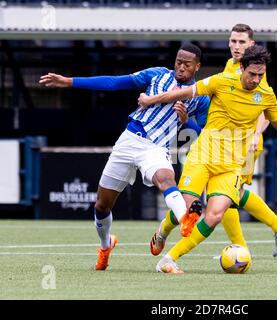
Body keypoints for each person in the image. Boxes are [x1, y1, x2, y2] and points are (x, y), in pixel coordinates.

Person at [138, 45, 277, 273]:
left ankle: (169, 259)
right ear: (242, 68)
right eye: (252, 74)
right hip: (202, 157)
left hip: (230, 167)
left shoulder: (266, 95)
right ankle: (164, 229)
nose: (256, 79)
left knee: (214, 215)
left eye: (261, 75)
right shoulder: (221, 81)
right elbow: (184, 92)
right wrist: (151, 100)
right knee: (188, 209)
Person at [39, 43, 210, 270]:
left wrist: (187, 120)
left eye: (187, 64)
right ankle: (105, 244)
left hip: (156, 148)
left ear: (197, 66)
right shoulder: (157, 75)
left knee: (166, 178)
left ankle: (186, 219)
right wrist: (70, 81)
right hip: (129, 140)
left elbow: (203, 133)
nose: (181, 67)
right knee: (102, 205)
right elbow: (115, 82)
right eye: (178, 62)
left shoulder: (201, 97)